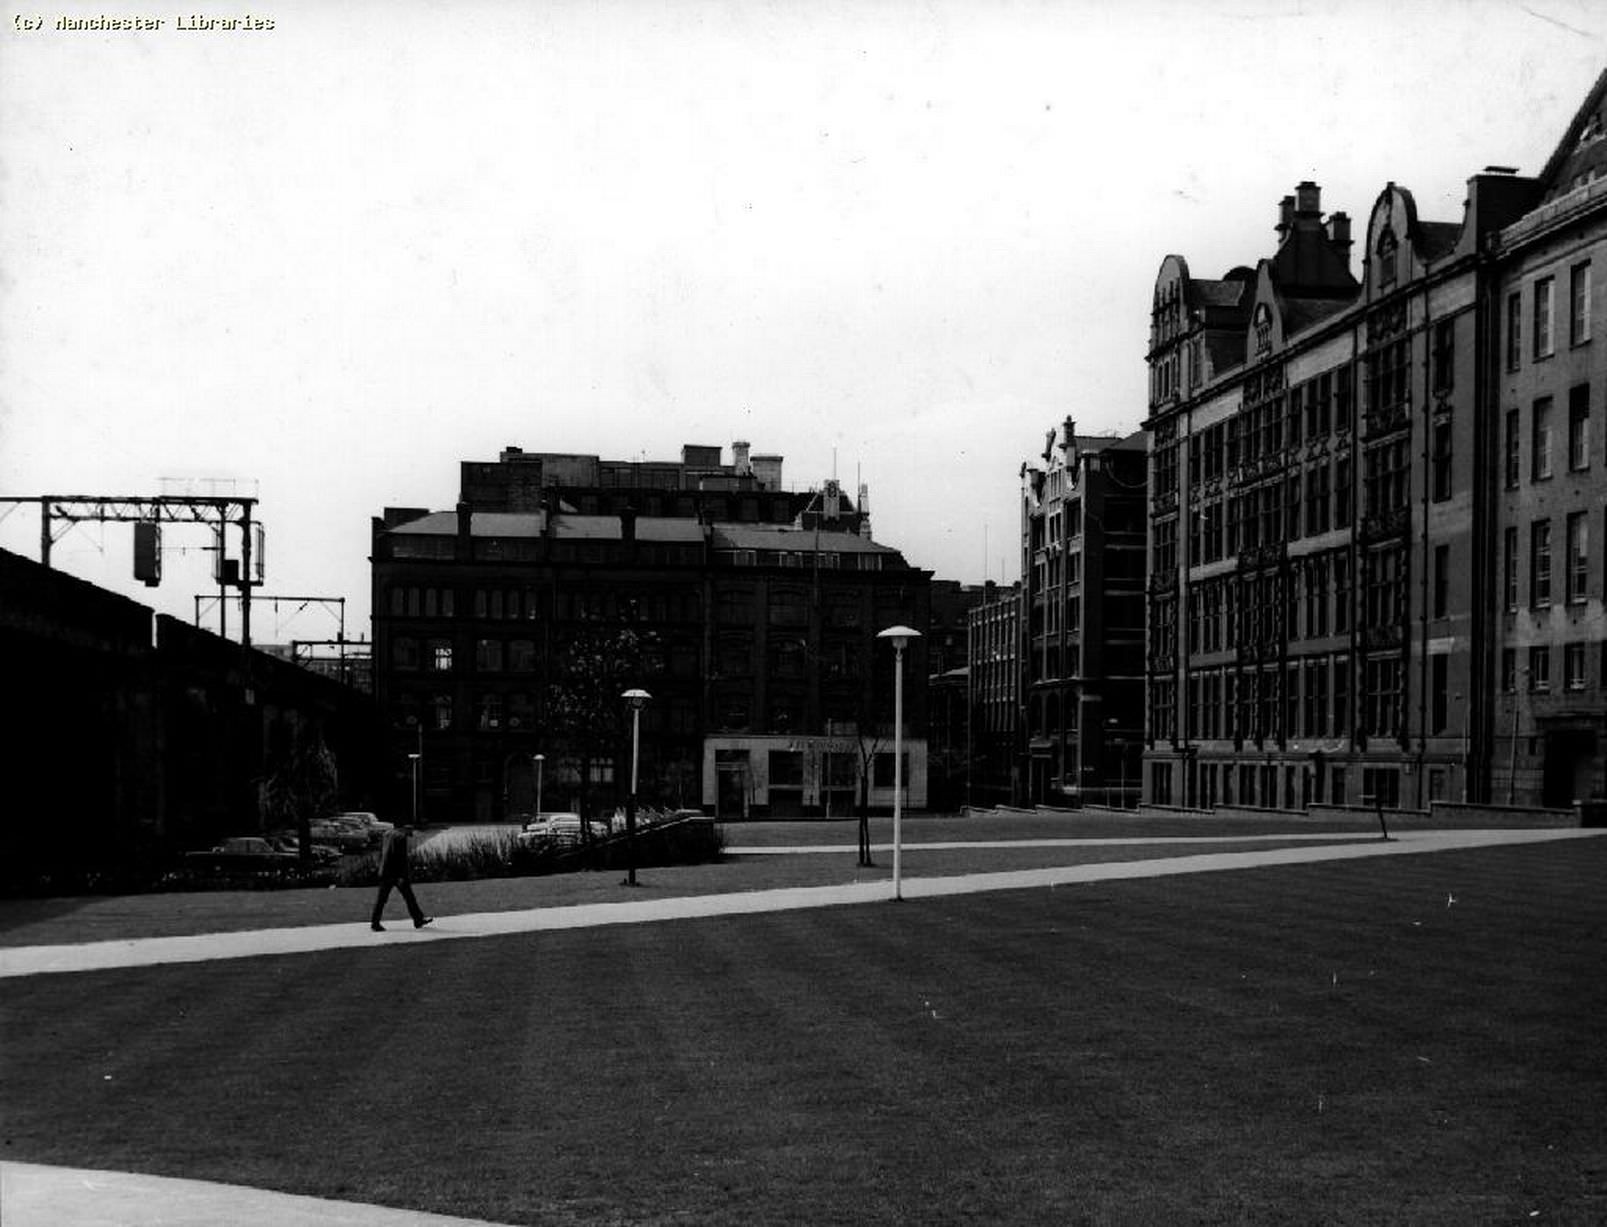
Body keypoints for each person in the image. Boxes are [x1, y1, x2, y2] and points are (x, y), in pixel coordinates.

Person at [370, 823, 433, 931]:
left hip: (385, 871)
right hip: (395, 874)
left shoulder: (387, 834)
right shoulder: (401, 838)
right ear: (405, 827)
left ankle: (375, 922)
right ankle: (418, 919)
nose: (411, 832)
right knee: (409, 897)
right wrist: (402, 876)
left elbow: (384, 852)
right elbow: (401, 859)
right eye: (411, 829)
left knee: (382, 899)